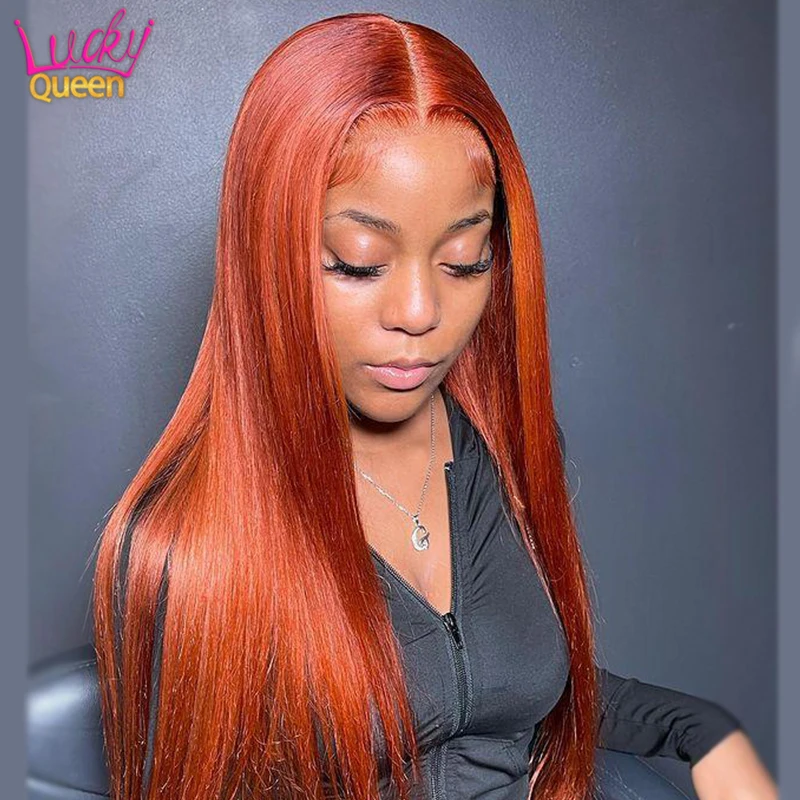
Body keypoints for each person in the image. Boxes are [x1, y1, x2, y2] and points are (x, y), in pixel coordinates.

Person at [91, 12, 777, 800]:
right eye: (358, 264)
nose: (419, 312)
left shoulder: (505, 453)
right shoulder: (183, 554)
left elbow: (520, 686)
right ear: (266, 258)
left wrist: (704, 734)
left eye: (463, 261)